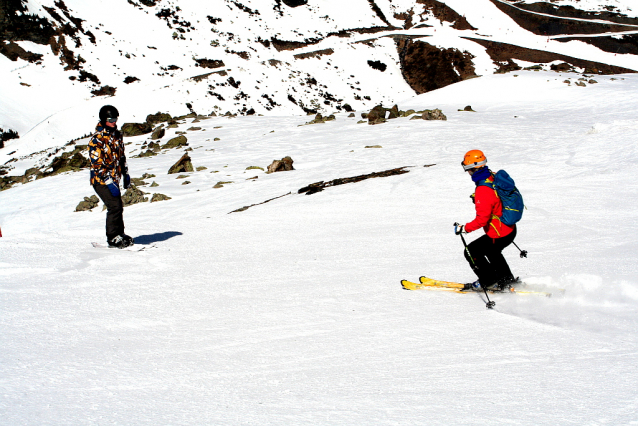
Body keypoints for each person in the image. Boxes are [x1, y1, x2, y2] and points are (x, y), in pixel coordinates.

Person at [455, 150, 516, 291]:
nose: (467, 172)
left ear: (474, 168)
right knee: (492, 252)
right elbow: (494, 197)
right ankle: (506, 279)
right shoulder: (491, 176)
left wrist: (464, 228)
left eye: (467, 168)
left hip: (498, 233)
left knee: (471, 251)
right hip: (509, 228)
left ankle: (489, 281)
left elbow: (482, 219)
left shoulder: (483, 189)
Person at [88, 105, 134, 248]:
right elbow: (97, 165)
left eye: (115, 119)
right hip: (100, 180)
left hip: (114, 178)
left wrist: (125, 174)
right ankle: (113, 237)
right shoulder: (97, 140)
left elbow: (121, 156)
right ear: (103, 120)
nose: (114, 122)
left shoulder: (117, 135)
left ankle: (119, 234)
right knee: (114, 206)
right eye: (111, 119)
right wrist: (108, 181)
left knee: (118, 206)